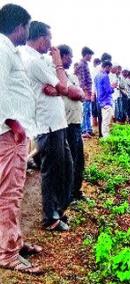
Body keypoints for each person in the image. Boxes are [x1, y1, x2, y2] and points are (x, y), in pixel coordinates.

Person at [0, 3, 43, 274]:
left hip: (11, 131)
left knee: (9, 191)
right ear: (19, 27)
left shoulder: (7, 49)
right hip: (8, 133)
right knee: (10, 193)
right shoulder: (3, 49)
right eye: (26, 27)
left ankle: (13, 239)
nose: (27, 32)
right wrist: (13, 122)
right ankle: (8, 252)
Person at [22, 21, 74, 231]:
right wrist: (58, 63)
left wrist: (59, 88)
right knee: (52, 172)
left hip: (56, 124)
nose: (51, 44)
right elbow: (64, 86)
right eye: (50, 39)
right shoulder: (34, 61)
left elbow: (60, 88)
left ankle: (57, 211)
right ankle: (50, 217)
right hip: (48, 125)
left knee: (65, 168)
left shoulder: (36, 59)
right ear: (42, 38)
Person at [58, 44, 86, 200]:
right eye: (70, 56)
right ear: (62, 56)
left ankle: (76, 191)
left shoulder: (72, 77)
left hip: (76, 123)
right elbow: (75, 94)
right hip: (66, 124)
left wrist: (79, 93)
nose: (71, 59)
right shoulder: (57, 76)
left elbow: (81, 94)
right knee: (70, 162)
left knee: (79, 160)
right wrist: (78, 93)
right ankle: (68, 195)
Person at [77, 46, 94, 138]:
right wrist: (86, 93)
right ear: (86, 55)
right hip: (85, 92)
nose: (91, 57)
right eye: (90, 55)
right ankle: (84, 130)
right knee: (85, 111)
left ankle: (88, 129)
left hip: (87, 92)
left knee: (87, 112)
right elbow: (82, 81)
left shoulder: (85, 64)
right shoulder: (81, 65)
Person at [94, 60, 114, 137]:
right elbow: (108, 90)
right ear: (107, 67)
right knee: (106, 121)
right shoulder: (105, 76)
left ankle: (102, 135)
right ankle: (106, 138)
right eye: (110, 68)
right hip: (106, 101)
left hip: (99, 101)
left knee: (102, 120)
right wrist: (113, 87)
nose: (110, 70)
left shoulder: (97, 76)